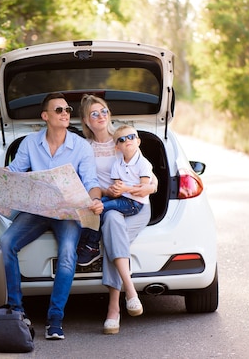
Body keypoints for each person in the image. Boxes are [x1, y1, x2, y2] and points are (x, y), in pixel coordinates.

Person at [0, 92, 104, 340]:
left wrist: (94, 199)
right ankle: (17, 311)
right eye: (59, 110)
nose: (65, 113)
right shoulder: (30, 143)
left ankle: (55, 319)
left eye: (67, 110)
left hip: (68, 214)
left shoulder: (82, 147)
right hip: (37, 210)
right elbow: (14, 172)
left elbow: (91, 182)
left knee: (67, 254)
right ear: (45, 116)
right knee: (6, 243)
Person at [78, 94, 157, 335]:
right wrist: (106, 191)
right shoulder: (85, 148)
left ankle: (115, 308)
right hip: (106, 204)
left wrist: (151, 186)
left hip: (135, 205)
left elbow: (148, 175)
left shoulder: (124, 136)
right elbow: (86, 182)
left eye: (103, 111)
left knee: (112, 236)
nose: (100, 116)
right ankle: (129, 294)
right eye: (94, 113)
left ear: (109, 114)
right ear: (86, 121)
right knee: (112, 222)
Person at [77, 124, 153, 266]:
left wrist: (125, 189)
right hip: (122, 198)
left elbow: (144, 187)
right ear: (117, 147)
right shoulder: (117, 164)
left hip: (134, 203)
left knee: (100, 208)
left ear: (138, 141)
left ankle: (92, 246)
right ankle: (84, 241)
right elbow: (118, 186)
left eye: (131, 137)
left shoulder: (143, 163)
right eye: (122, 139)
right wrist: (116, 190)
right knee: (94, 205)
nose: (127, 140)